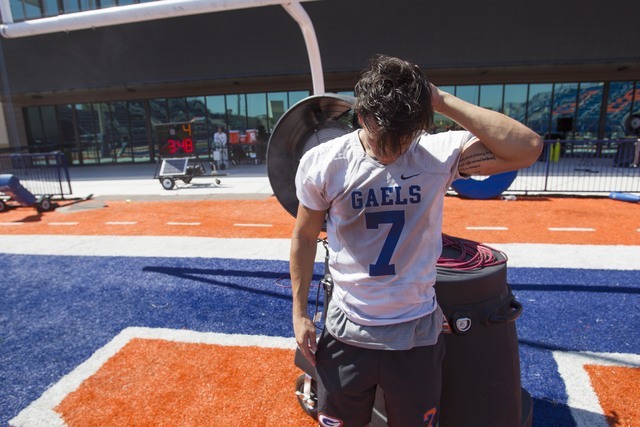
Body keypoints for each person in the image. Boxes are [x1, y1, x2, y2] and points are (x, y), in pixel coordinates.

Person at [290, 54, 542, 427]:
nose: (393, 150)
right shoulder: (326, 161)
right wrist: (299, 314)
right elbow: (305, 235)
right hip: (347, 331)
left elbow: (528, 147)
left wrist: (441, 100)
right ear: (362, 117)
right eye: (383, 138)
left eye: (404, 137)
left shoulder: (436, 153)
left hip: (416, 334)